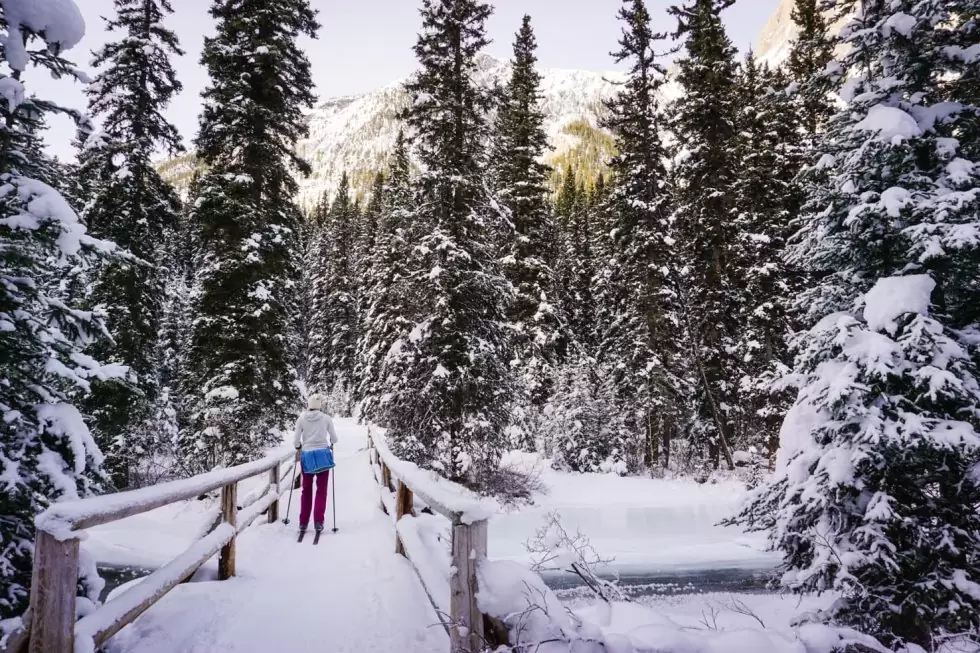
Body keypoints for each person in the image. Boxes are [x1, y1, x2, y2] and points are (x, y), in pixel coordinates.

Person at [292, 394, 338, 535]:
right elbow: (334, 439)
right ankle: (319, 521)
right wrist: (330, 442)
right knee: (321, 490)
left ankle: (303, 522)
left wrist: (299, 446)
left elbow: (296, 441)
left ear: (309, 405)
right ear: (319, 406)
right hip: (323, 455)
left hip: (307, 457)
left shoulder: (301, 418)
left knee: (306, 490)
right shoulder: (326, 418)